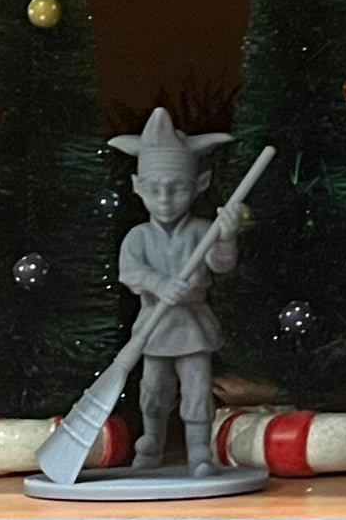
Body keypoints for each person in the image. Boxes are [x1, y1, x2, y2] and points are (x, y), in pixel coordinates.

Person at [112, 108, 238, 476]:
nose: (165, 198)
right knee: (153, 389)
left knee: (197, 388)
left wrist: (225, 237)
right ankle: (151, 441)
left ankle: (199, 449)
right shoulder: (138, 237)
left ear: (199, 184)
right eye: (154, 189)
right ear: (138, 187)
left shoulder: (202, 230)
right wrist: (158, 283)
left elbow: (220, 264)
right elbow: (129, 271)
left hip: (192, 325)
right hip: (154, 324)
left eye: (177, 187)